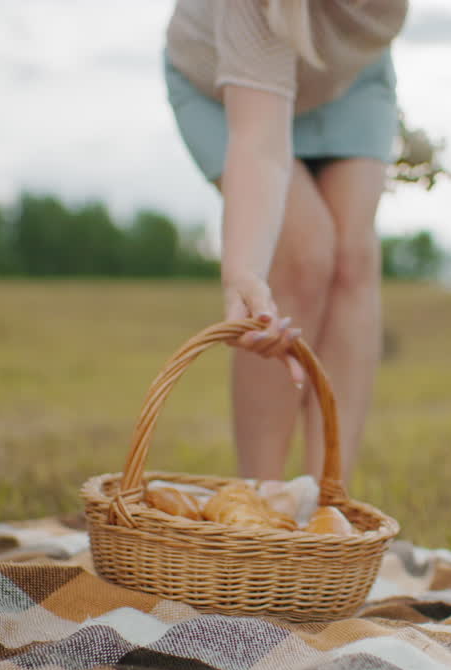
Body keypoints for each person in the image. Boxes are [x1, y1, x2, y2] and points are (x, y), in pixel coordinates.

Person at [163, 0, 408, 484]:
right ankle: (260, 505)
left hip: (350, 80)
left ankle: (328, 509)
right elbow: (259, 143)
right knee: (302, 253)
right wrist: (244, 273)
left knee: (353, 260)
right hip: (223, 81)